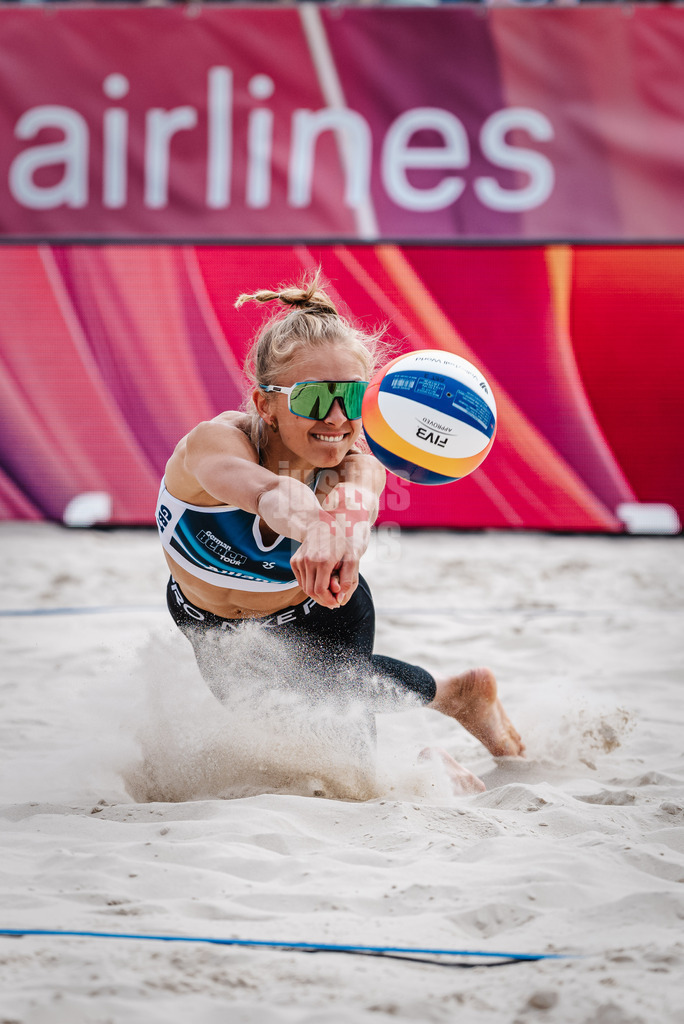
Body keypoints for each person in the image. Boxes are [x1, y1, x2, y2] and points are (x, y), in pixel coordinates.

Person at [156, 273, 524, 794]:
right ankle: (456, 694)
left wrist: (342, 529)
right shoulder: (214, 446)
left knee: (350, 779)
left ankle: (440, 746)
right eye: (313, 398)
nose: (335, 416)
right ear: (266, 405)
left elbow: (356, 504)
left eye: (351, 397)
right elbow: (268, 494)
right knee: (282, 736)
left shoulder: (358, 466)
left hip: (322, 609)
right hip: (210, 622)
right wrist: (316, 529)